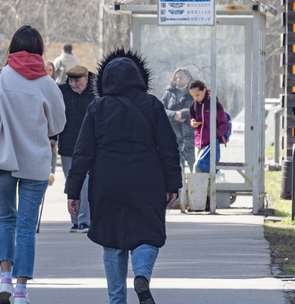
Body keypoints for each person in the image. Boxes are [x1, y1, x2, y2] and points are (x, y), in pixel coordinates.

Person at [65, 48, 182, 304]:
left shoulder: (97, 107)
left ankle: (116, 299)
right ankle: (141, 275)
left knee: (112, 240)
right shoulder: (151, 104)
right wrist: (172, 183)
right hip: (147, 180)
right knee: (148, 235)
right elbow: (169, 146)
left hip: (107, 181)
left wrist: (73, 191)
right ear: (138, 78)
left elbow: (82, 152)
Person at [0, 25, 66, 304]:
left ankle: (4, 280)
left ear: (12, 48)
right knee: (26, 227)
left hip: (1, 159)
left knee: (5, 220)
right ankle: (22, 291)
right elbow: (58, 124)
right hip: (35, 164)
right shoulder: (47, 84)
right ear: (39, 50)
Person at [54, 65, 96, 233]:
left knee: (86, 184)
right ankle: (75, 220)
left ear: (86, 79)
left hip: (90, 148)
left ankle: (84, 221)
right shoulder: (61, 92)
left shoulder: (96, 93)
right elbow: (54, 117)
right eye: (70, 80)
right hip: (68, 147)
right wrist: (52, 138)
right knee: (72, 184)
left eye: (76, 81)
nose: (72, 84)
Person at [189, 79, 228, 173]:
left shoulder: (215, 105)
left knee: (204, 170)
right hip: (198, 143)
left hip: (211, 144)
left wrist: (215, 134)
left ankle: (207, 188)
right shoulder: (194, 106)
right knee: (199, 169)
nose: (195, 98)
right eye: (193, 96)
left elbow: (223, 123)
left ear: (204, 90)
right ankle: (201, 188)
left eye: (197, 95)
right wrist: (193, 123)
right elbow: (192, 120)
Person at [160, 68, 196, 171]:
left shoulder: (194, 92)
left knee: (194, 167)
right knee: (176, 168)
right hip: (173, 136)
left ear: (189, 79)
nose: (178, 80)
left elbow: (200, 109)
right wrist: (174, 114)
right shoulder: (169, 93)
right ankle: (180, 188)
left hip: (191, 136)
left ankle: (195, 187)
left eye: (181, 77)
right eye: (176, 78)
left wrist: (184, 113)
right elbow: (160, 110)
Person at [44, 60, 58, 186]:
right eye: (45, 69)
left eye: (50, 70)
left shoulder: (56, 88)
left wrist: (54, 136)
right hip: (40, 126)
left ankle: (50, 174)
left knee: (52, 150)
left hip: (51, 127)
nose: (47, 72)